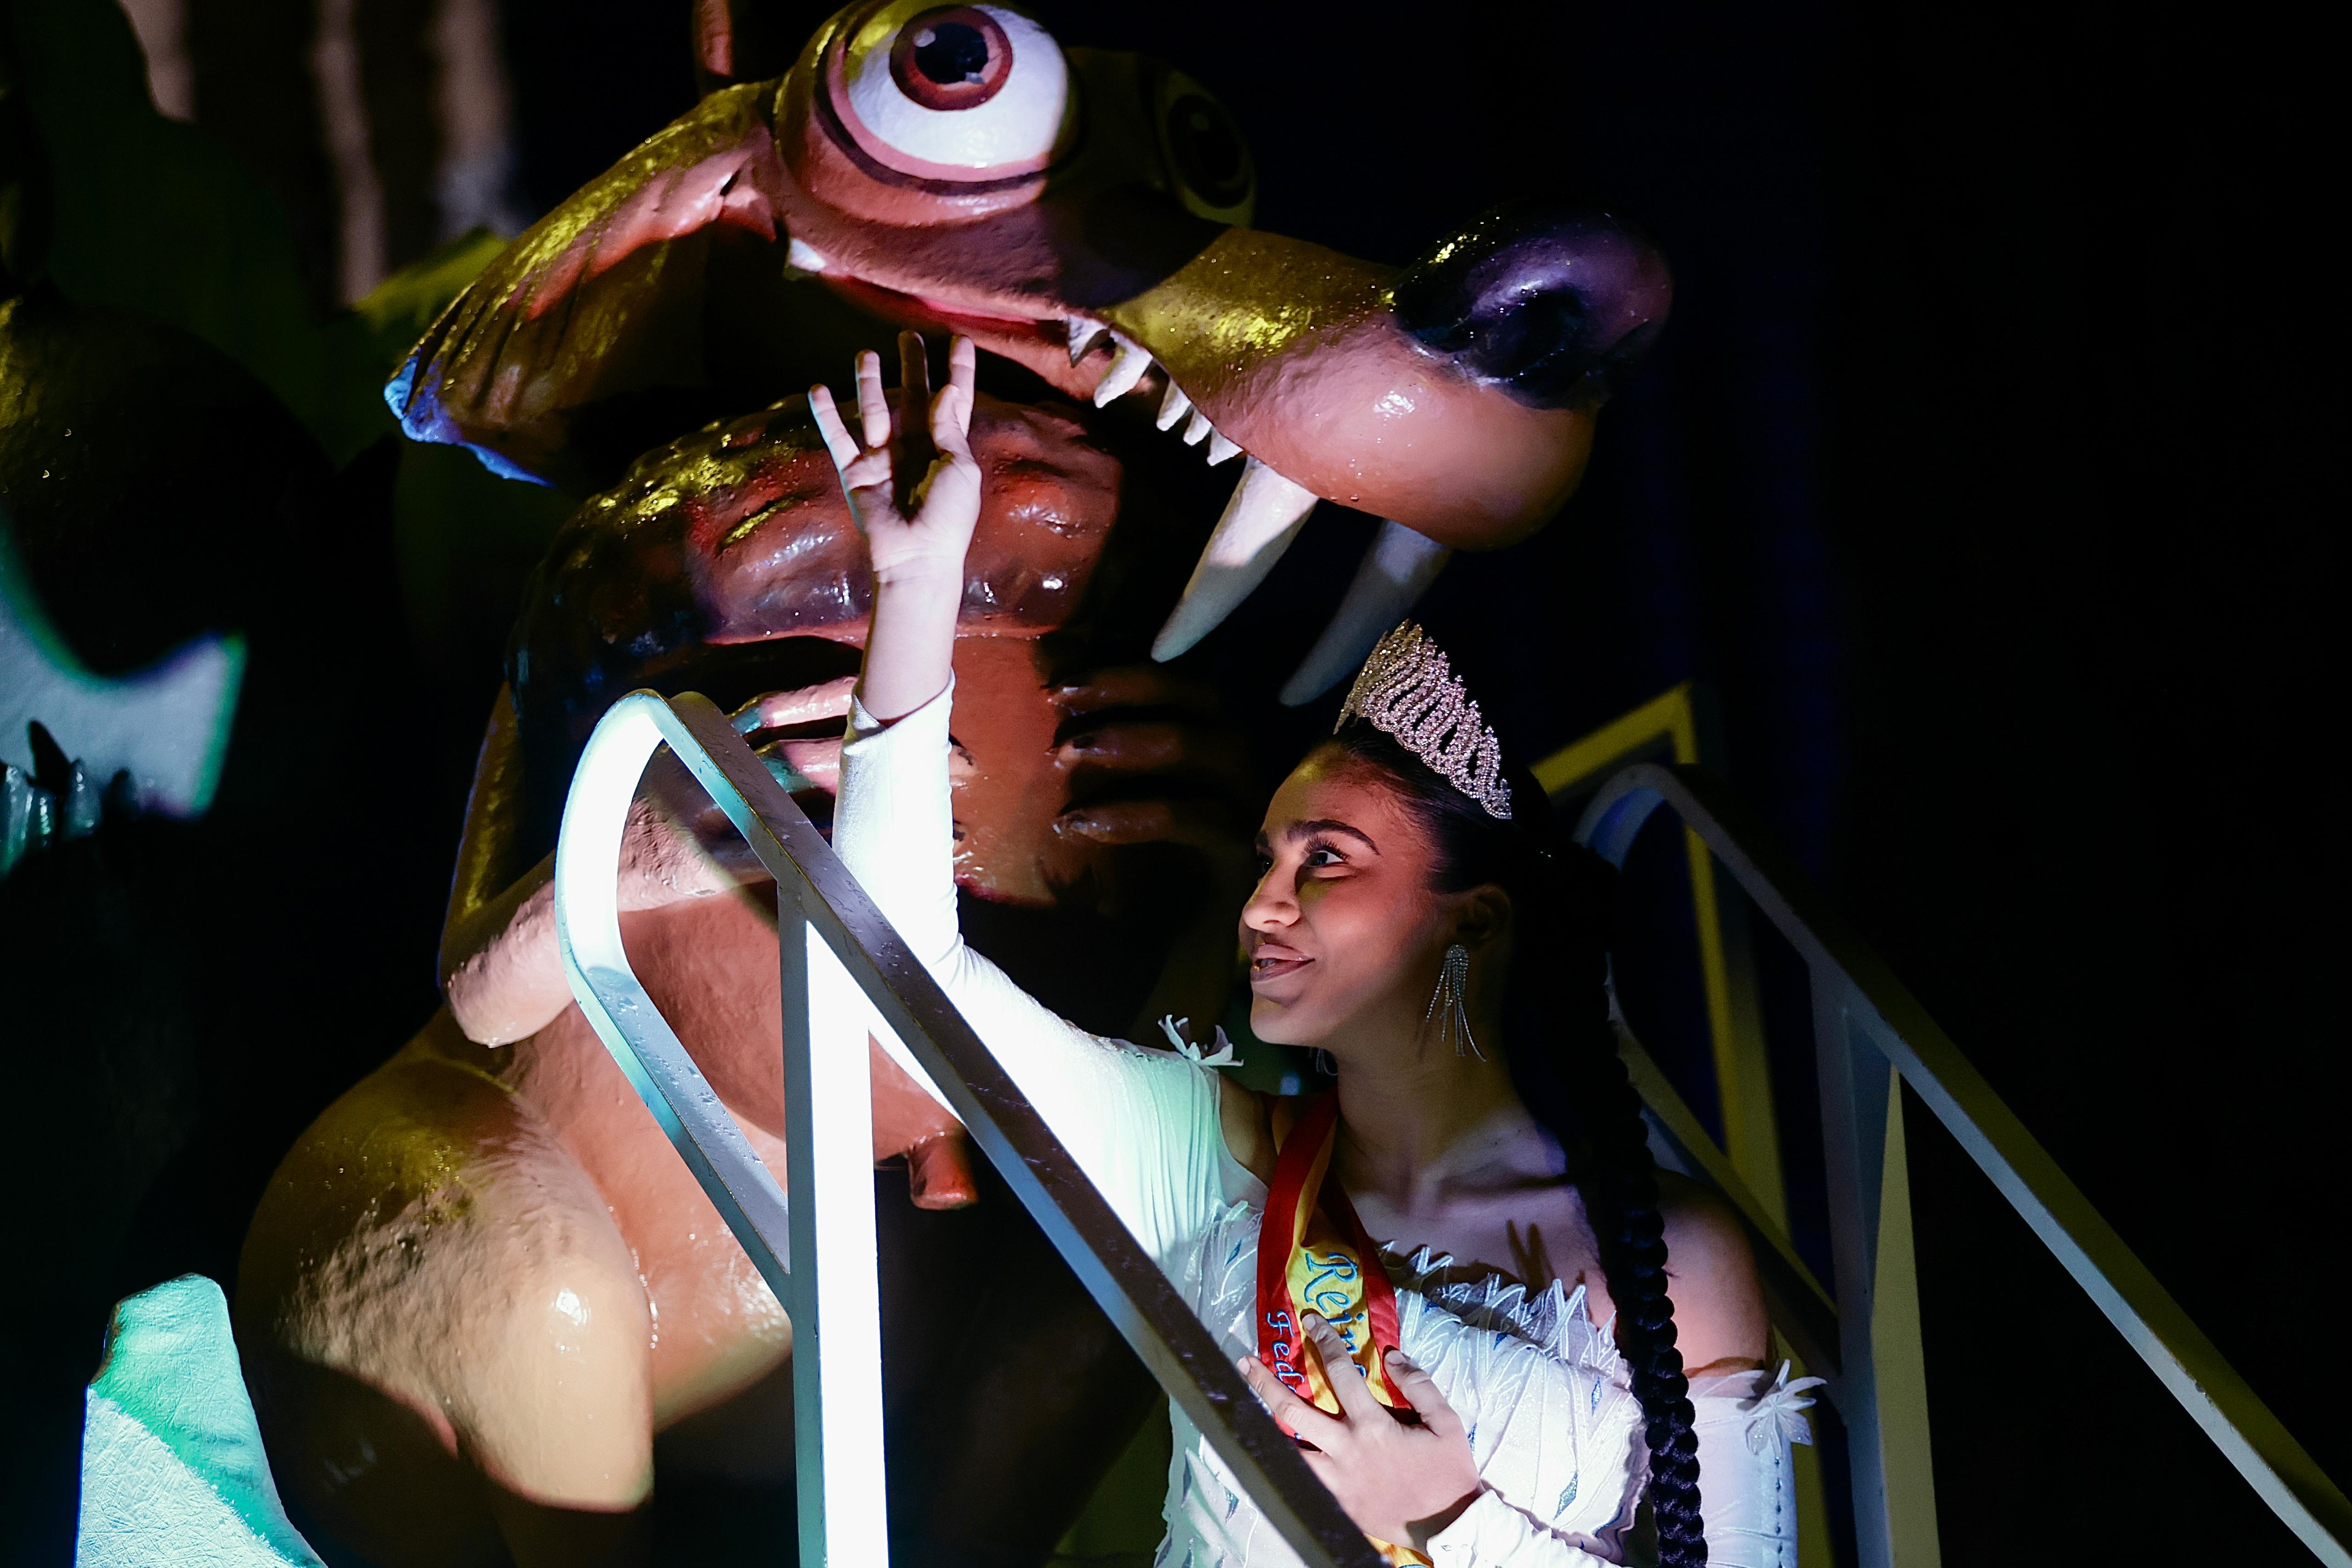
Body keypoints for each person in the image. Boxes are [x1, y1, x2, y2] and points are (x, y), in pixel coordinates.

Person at [813, 332, 1820, 1567]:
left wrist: (1451, 1520)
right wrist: (914, 597)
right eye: (1268, 861)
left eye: (1326, 860)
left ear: (1476, 922)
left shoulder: (1668, 1261)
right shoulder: (1208, 1155)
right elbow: (904, 968)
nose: (1263, 904)